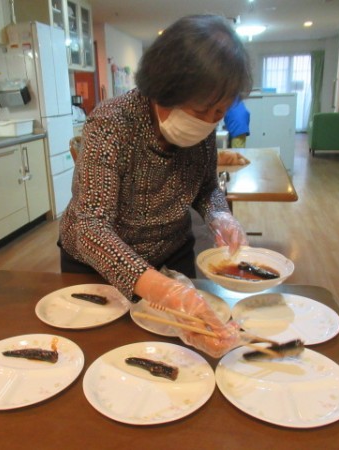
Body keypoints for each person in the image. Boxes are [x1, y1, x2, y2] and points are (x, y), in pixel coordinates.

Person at [58, 15, 252, 357]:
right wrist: (161, 289)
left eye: (219, 112)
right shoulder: (111, 123)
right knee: (103, 357)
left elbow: (207, 187)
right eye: (201, 110)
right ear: (162, 91)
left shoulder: (205, 129)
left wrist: (220, 215)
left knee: (181, 358)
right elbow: (90, 227)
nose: (208, 123)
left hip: (172, 257)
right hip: (99, 267)